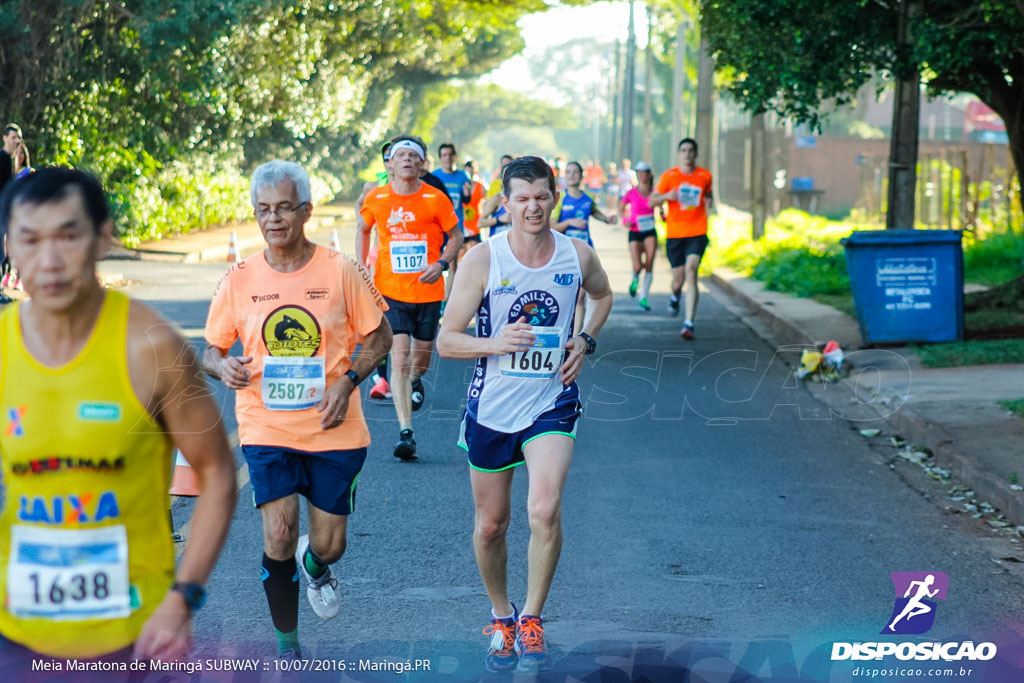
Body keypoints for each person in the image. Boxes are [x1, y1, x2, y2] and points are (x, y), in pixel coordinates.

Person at [0, 167, 237, 670]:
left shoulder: (155, 347)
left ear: (104, 237)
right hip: (16, 630)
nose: (49, 261)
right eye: (29, 239)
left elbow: (217, 472)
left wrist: (183, 598)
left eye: (68, 236)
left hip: (137, 633)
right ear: (8, 246)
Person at [204, 161, 392, 659]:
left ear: (306, 211)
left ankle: (318, 565)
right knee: (280, 531)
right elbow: (211, 350)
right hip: (265, 424)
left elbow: (381, 336)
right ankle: (288, 645)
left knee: (329, 545)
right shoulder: (240, 277)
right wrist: (223, 369)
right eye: (264, 209)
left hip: (334, 428)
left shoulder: (341, 270)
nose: (274, 218)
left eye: (284, 207)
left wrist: (350, 381)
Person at [437, 156, 613, 674]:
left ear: (553, 197)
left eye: (541, 196)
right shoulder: (483, 260)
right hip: (491, 405)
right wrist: (495, 342)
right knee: (492, 525)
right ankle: (501, 615)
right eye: (522, 198)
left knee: (543, 510)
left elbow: (602, 297)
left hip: (550, 399)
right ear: (506, 202)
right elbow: (447, 340)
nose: (532, 206)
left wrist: (584, 339)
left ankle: (532, 617)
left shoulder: (576, 255)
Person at [359, 136, 462, 461]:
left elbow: (456, 236)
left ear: (421, 163)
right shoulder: (376, 198)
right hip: (390, 292)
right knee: (399, 359)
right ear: (390, 163)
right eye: (399, 155)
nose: (406, 159)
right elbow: (363, 228)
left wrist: (441, 264)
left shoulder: (435, 198)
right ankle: (406, 433)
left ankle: (415, 381)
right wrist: (361, 267)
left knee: (420, 363)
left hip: (428, 292)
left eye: (412, 155)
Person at [648, 138, 713, 340]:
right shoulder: (670, 176)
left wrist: (708, 202)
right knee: (678, 279)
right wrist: (669, 196)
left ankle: (689, 323)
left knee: (691, 271)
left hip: (697, 231)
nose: (687, 154)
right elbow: (651, 201)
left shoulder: (705, 175)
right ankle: (675, 296)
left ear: (696, 153)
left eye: (691, 150)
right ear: (679, 154)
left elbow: (708, 195)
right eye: (683, 150)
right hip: (675, 234)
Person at [552, 161, 617, 334]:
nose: (572, 175)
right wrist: (569, 222)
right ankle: (560, 329)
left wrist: (606, 219)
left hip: (585, 251)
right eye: (569, 172)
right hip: (563, 253)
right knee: (564, 294)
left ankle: (575, 336)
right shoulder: (560, 198)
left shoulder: (588, 197)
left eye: (575, 172)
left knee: (581, 295)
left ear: (581, 176)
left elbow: (594, 211)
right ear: (565, 176)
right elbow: (551, 226)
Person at [357, 142, 396, 401]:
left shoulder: (422, 187)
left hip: (411, 273)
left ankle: (408, 377)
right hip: (379, 264)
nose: (389, 162)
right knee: (381, 322)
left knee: (406, 334)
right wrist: (361, 262)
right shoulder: (374, 187)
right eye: (387, 158)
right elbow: (361, 221)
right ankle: (381, 379)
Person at [431, 143, 473, 303]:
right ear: (440, 158)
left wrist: (467, 194)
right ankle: (437, 296)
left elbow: (467, 201)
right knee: (436, 262)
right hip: (437, 227)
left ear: (455, 156)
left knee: (452, 264)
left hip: (455, 226)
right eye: (444, 155)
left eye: (450, 154)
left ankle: (447, 301)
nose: (448, 158)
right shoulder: (434, 176)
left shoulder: (463, 176)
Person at [619, 161, 658, 311]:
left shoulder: (655, 192)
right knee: (637, 265)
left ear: (649, 174)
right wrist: (625, 220)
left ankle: (643, 298)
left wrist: (663, 214)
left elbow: (661, 205)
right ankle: (635, 280)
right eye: (639, 173)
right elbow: (621, 208)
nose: (642, 175)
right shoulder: (631, 193)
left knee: (649, 264)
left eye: (644, 172)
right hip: (634, 230)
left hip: (649, 230)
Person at [0, 124, 23, 305]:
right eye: (13, 137)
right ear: (5, 138)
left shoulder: (10, 159)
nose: (17, 140)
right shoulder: (3, 158)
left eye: (18, 137)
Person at [462, 159, 486, 253]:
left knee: (475, 251)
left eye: (471, 171)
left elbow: (487, 203)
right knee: (461, 254)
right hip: (463, 224)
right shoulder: (461, 186)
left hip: (476, 224)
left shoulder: (481, 186)